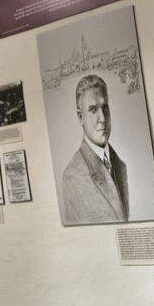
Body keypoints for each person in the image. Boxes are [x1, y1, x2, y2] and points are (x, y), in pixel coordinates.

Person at [59, 74, 129, 224]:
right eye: (92, 110)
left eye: (105, 108)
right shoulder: (73, 177)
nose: (103, 118)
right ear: (80, 117)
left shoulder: (120, 166)